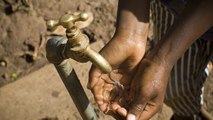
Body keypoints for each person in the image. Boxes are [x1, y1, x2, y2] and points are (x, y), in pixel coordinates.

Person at [88, 0, 213, 120]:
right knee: (175, 86)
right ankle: (185, 114)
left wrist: (162, 60)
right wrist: (130, 34)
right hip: (173, 8)